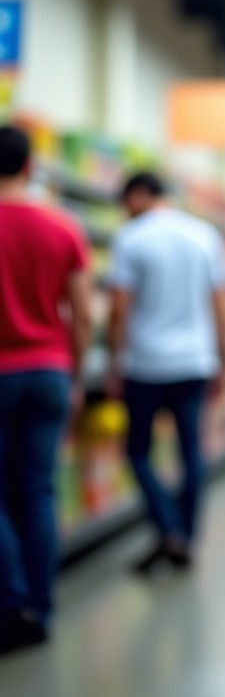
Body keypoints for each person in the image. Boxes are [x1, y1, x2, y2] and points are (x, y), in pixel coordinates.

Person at [107, 172, 225, 572]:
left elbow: (120, 308)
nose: (125, 210)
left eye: (126, 201)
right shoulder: (205, 235)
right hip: (195, 361)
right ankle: (185, 536)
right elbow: (219, 305)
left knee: (137, 451)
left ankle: (168, 528)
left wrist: (115, 361)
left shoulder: (131, 237)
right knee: (191, 451)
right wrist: (221, 360)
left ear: (141, 195)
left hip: (145, 364)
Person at [0, 125, 92, 654]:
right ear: (30, 166)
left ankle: (11, 602)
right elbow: (82, 314)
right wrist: (75, 375)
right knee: (36, 490)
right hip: (49, 373)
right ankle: (42, 602)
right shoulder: (63, 227)